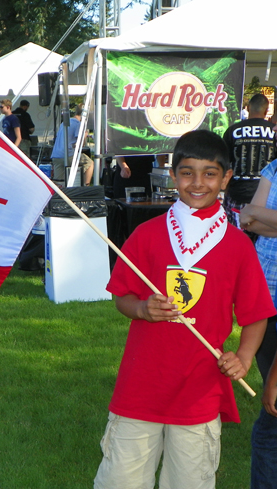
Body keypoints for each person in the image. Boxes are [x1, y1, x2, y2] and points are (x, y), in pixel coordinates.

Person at [94, 130, 276, 489]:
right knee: (121, 480)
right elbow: (122, 297)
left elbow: (257, 314)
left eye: (209, 173)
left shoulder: (238, 246)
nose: (198, 182)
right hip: (140, 388)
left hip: (199, 393)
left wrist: (243, 355)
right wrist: (143, 309)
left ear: (226, 178)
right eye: (187, 172)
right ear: (173, 174)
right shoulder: (146, 235)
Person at [238, 161, 277, 488]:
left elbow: (254, 214)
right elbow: (246, 217)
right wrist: (256, 215)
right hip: (266, 299)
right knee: (272, 394)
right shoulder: (273, 168)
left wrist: (259, 215)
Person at [223, 93, 277, 226]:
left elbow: (224, 162)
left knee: (236, 239)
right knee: (262, 237)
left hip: (237, 194)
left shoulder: (233, 130)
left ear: (247, 108)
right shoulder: (274, 131)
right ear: (266, 111)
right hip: (267, 199)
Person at [50, 104, 94, 186]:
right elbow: (81, 143)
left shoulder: (64, 123)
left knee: (60, 181)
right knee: (90, 163)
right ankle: (86, 186)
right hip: (69, 155)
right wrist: (84, 135)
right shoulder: (78, 124)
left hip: (56, 155)